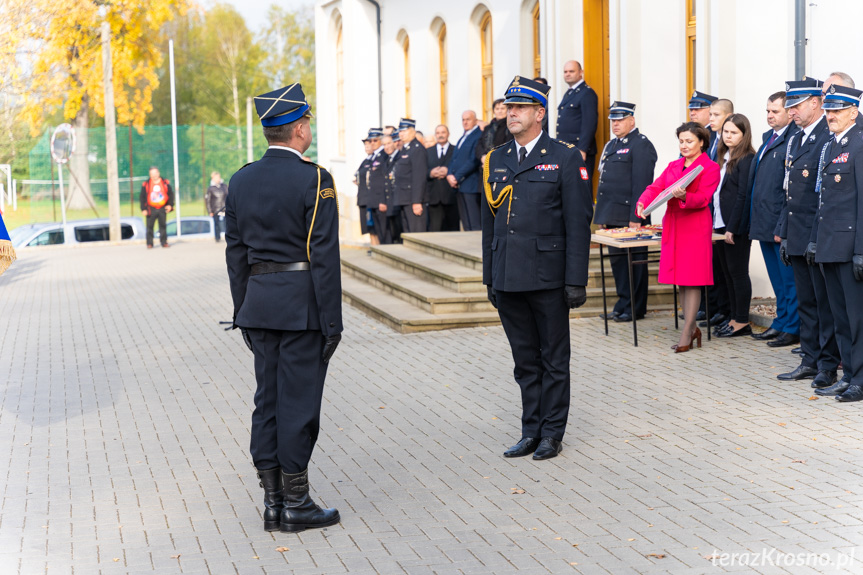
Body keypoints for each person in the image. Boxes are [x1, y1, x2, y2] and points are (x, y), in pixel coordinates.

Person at [225, 83, 342, 533]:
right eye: (307, 120)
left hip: (259, 306)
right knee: (298, 404)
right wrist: (332, 323)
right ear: (297, 128)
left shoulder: (241, 178)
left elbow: (236, 256)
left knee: (267, 403)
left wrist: (243, 311)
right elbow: (324, 257)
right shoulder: (315, 179)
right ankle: (297, 504)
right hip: (302, 309)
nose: (309, 127)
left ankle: (273, 503)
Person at [482, 76, 593, 460]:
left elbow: (578, 223)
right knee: (524, 361)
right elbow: (489, 224)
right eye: (509, 108)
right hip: (509, 274)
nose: (511, 114)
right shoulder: (496, 159)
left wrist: (575, 280)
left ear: (539, 113)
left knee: (553, 360)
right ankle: (530, 430)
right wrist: (489, 276)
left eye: (520, 108)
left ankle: (552, 433)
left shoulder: (564, 158)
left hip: (548, 277)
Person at [776, 78, 840, 387]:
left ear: (815, 102)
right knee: (807, 303)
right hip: (798, 234)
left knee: (823, 305)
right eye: (789, 106)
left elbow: (822, 196)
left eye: (796, 105)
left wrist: (815, 237)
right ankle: (810, 360)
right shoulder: (795, 139)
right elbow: (789, 192)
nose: (791, 112)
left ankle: (828, 365)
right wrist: (785, 233)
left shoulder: (827, 138)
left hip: (818, 235)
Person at [636, 122, 721, 352]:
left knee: (692, 279)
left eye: (689, 141)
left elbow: (704, 198)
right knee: (681, 280)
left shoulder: (710, 167)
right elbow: (656, 187)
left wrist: (684, 196)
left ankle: (688, 330)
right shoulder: (674, 165)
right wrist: (643, 200)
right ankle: (691, 327)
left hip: (694, 226)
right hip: (674, 225)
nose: (684, 145)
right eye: (681, 141)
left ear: (702, 142)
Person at [807, 85, 863, 402]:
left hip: (850, 247)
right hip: (829, 245)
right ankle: (849, 375)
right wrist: (815, 240)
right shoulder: (829, 147)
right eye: (828, 110)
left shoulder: (859, 144)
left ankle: (861, 379)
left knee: (857, 319)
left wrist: (860, 251)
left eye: (837, 111)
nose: (830, 116)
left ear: (853, 112)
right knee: (840, 318)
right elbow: (823, 201)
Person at [593, 101, 657, 322]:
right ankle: (622, 304)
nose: (615, 124)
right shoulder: (611, 145)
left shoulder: (641, 145)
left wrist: (636, 217)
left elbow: (642, 184)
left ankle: (635, 308)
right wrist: (603, 215)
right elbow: (606, 182)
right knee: (618, 264)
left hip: (631, 217)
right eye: (613, 120)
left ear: (632, 121)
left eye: (620, 120)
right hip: (613, 215)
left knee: (634, 265)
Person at [745, 92, 800, 347]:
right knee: (777, 280)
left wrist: (782, 225)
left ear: (790, 112)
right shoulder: (769, 138)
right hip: (763, 221)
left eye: (774, 111)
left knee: (789, 281)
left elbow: (788, 189)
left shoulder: (793, 139)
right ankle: (781, 322)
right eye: (767, 111)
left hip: (780, 223)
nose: (769, 116)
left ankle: (792, 327)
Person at [711, 114, 756, 338]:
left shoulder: (746, 158)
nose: (728, 136)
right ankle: (732, 317)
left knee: (738, 273)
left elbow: (743, 196)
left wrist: (733, 227)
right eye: (725, 132)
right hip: (719, 223)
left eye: (734, 133)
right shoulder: (723, 156)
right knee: (726, 274)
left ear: (743, 134)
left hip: (734, 226)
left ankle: (741, 321)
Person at [556, 61, 598, 184]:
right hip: (567, 149)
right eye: (565, 72)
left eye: (571, 71)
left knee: (581, 186)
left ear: (581, 72)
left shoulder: (587, 93)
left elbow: (589, 123)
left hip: (578, 150)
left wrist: (583, 149)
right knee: (569, 185)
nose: (567, 74)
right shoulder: (569, 93)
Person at [448, 110, 483, 231]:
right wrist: (449, 174)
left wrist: (456, 176)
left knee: (474, 220)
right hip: (459, 184)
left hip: (470, 183)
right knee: (465, 221)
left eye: (468, 119)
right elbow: (454, 158)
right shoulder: (463, 137)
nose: (465, 122)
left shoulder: (479, 135)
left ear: (475, 120)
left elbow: (473, 160)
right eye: (463, 119)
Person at [394, 118, 428, 233]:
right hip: (404, 198)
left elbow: (419, 177)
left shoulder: (417, 149)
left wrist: (417, 201)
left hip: (412, 200)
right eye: (400, 131)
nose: (401, 134)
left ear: (413, 131)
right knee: (408, 234)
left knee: (416, 234)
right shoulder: (405, 149)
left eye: (404, 130)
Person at [426, 124, 456, 232]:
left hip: (451, 196)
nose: (440, 135)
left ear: (448, 134)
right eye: (438, 133)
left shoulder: (456, 149)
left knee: (453, 230)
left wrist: (449, 171)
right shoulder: (428, 151)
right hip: (434, 198)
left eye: (443, 132)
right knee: (435, 231)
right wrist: (431, 173)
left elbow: (460, 167)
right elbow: (422, 171)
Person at [140, 166, 174, 249]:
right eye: (152, 173)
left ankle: (164, 242)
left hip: (162, 208)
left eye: (155, 173)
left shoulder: (165, 183)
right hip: (150, 208)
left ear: (158, 173)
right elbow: (142, 197)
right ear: (150, 174)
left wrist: (170, 205)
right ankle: (150, 243)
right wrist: (143, 209)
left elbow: (170, 194)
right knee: (149, 227)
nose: (154, 175)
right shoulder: (146, 184)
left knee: (163, 226)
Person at [366, 129, 390, 243]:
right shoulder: (374, 156)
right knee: (378, 231)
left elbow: (384, 180)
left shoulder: (384, 155)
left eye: (375, 140)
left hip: (381, 200)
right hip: (374, 200)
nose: (372, 143)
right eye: (370, 141)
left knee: (385, 231)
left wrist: (383, 200)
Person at [476, 99, 512, 164]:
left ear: (508, 110)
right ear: (493, 111)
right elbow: (480, 144)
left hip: (502, 163)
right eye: (497, 109)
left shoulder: (510, 126)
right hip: (485, 164)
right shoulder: (488, 128)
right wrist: (482, 157)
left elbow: (508, 145)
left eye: (502, 108)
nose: (500, 111)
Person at [381, 134, 402, 243]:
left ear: (395, 143)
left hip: (398, 200)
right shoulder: (386, 159)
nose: (387, 147)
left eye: (389, 143)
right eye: (384, 144)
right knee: (393, 232)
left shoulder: (400, 157)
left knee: (399, 232)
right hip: (390, 202)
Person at [355, 135, 376, 242]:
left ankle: (376, 247)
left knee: (373, 228)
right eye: (365, 145)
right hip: (363, 198)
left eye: (369, 144)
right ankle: (373, 247)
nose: (367, 147)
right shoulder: (365, 161)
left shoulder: (374, 160)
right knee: (368, 228)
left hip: (369, 199)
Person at [205, 171, 228, 242]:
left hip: (225, 208)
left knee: (227, 223)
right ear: (213, 178)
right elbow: (208, 201)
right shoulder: (210, 188)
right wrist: (210, 211)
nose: (218, 178)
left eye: (219, 177)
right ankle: (217, 237)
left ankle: (228, 237)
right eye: (216, 177)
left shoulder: (224, 186)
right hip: (216, 209)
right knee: (217, 224)